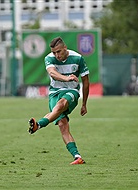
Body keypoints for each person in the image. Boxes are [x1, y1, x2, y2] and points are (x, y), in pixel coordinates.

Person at [27, 37, 90, 165]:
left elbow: (86, 81)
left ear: (65, 48)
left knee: (61, 104)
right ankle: (77, 156)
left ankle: (39, 125)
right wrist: (66, 78)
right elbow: (52, 73)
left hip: (71, 92)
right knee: (62, 124)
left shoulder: (78, 58)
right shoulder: (49, 58)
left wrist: (84, 104)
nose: (56, 55)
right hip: (54, 92)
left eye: (59, 52)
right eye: (54, 52)